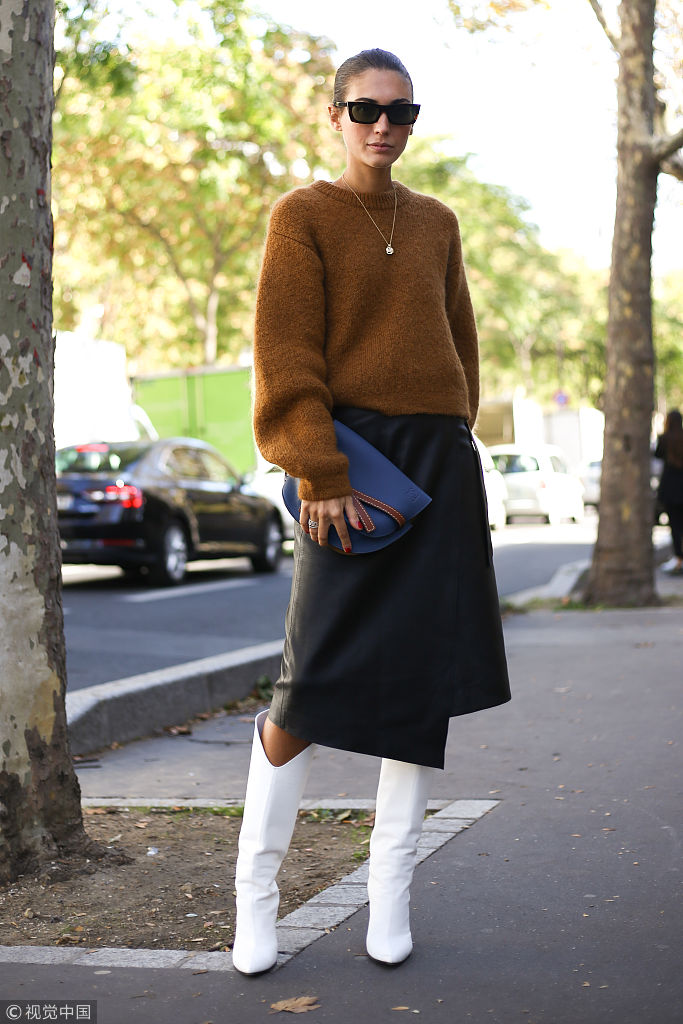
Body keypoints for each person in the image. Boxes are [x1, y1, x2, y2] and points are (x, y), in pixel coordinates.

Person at [232, 48, 511, 975]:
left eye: (400, 112)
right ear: (335, 115)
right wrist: (319, 470)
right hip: (350, 466)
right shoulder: (303, 214)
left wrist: (456, 434)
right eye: (365, 109)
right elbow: (284, 353)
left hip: (438, 465)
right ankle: (255, 901)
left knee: (420, 685)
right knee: (308, 682)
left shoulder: (436, 222)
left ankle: (388, 897)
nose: (382, 126)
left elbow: (460, 345)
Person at [655, 409, 683, 574]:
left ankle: (679, 558)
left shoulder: (664, 439)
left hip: (670, 490)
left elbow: (657, 455)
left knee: (675, 526)